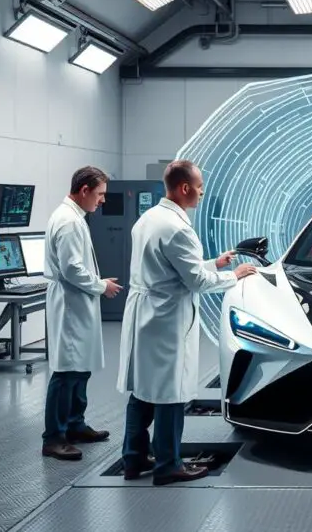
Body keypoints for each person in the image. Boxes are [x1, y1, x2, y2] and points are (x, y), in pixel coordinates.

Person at [117, 159, 257, 486]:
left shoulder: (149, 219)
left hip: (145, 313)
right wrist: (232, 275)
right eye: (199, 186)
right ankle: (168, 464)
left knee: (142, 391)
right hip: (167, 318)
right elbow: (195, 281)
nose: (202, 191)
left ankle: (133, 459)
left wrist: (214, 262)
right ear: (184, 188)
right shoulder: (179, 228)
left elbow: (170, 267)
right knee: (171, 393)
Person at [42, 166, 124, 461]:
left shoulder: (75, 217)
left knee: (80, 368)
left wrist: (98, 286)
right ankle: (54, 438)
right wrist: (101, 286)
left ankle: (75, 425)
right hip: (70, 302)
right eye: (100, 194)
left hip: (77, 301)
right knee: (66, 373)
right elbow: (72, 269)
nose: (103, 201)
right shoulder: (68, 222)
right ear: (84, 190)